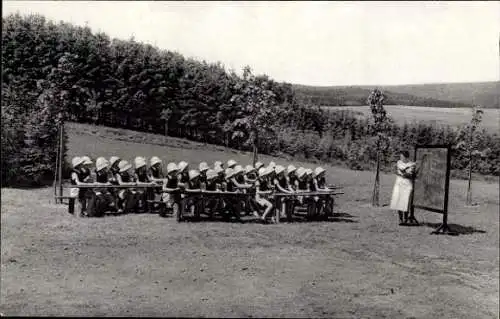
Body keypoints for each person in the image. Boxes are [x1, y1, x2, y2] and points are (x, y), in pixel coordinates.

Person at [390, 150, 416, 225]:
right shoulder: (399, 162)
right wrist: (402, 172)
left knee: (406, 201)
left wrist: (404, 173)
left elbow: (409, 175)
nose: (401, 157)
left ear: (406, 157)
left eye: (402, 156)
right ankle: (400, 219)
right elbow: (397, 170)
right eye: (400, 156)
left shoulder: (411, 164)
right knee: (398, 201)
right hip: (399, 183)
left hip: (407, 184)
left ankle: (405, 219)